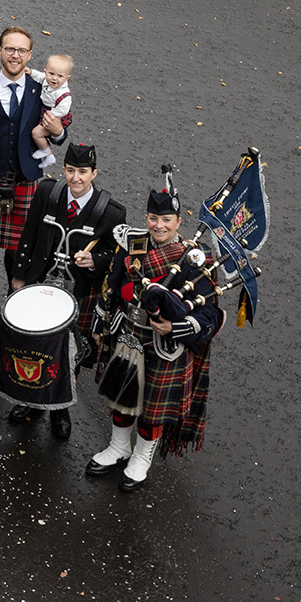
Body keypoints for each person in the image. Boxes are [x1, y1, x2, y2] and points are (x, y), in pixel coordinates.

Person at [84, 175, 223, 492]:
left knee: (152, 408)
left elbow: (210, 312)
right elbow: (112, 287)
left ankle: (142, 457)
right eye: (153, 218)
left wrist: (175, 326)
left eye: (166, 219)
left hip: (165, 345)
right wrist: (100, 325)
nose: (158, 225)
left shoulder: (196, 257)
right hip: (129, 334)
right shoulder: (132, 245)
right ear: (146, 217)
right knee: (121, 399)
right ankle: (119, 448)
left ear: (178, 220)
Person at [6, 143, 124, 443]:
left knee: (69, 353)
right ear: (64, 170)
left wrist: (95, 260)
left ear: (94, 173)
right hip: (41, 285)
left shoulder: (111, 212)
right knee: (34, 346)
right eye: (71, 171)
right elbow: (29, 233)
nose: (76, 178)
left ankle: (61, 409)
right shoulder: (48, 193)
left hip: (79, 293)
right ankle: (30, 400)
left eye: (83, 172)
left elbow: (118, 257)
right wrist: (19, 276)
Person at [0, 26, 64, 293]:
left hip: (23, 179)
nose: (15, 55)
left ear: (30, 55)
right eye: (10, 49)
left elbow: (58, 131)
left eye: (21, 50)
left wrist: (59, 132)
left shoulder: (44, 94)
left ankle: (15, 294)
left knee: (18, 245)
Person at [33, 53, 75, 169]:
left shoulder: (63, 94)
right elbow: (39, 76)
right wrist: (30, 72)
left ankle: (46, 151)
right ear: (46, 71)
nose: (54, 78)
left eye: (60, 76)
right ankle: (49, 154)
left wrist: (52, 115)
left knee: (36, 133)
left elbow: (64, 110)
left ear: (67, 78)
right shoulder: (46, 80)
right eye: (51, 73)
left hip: (54, 116)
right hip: (47, 111)